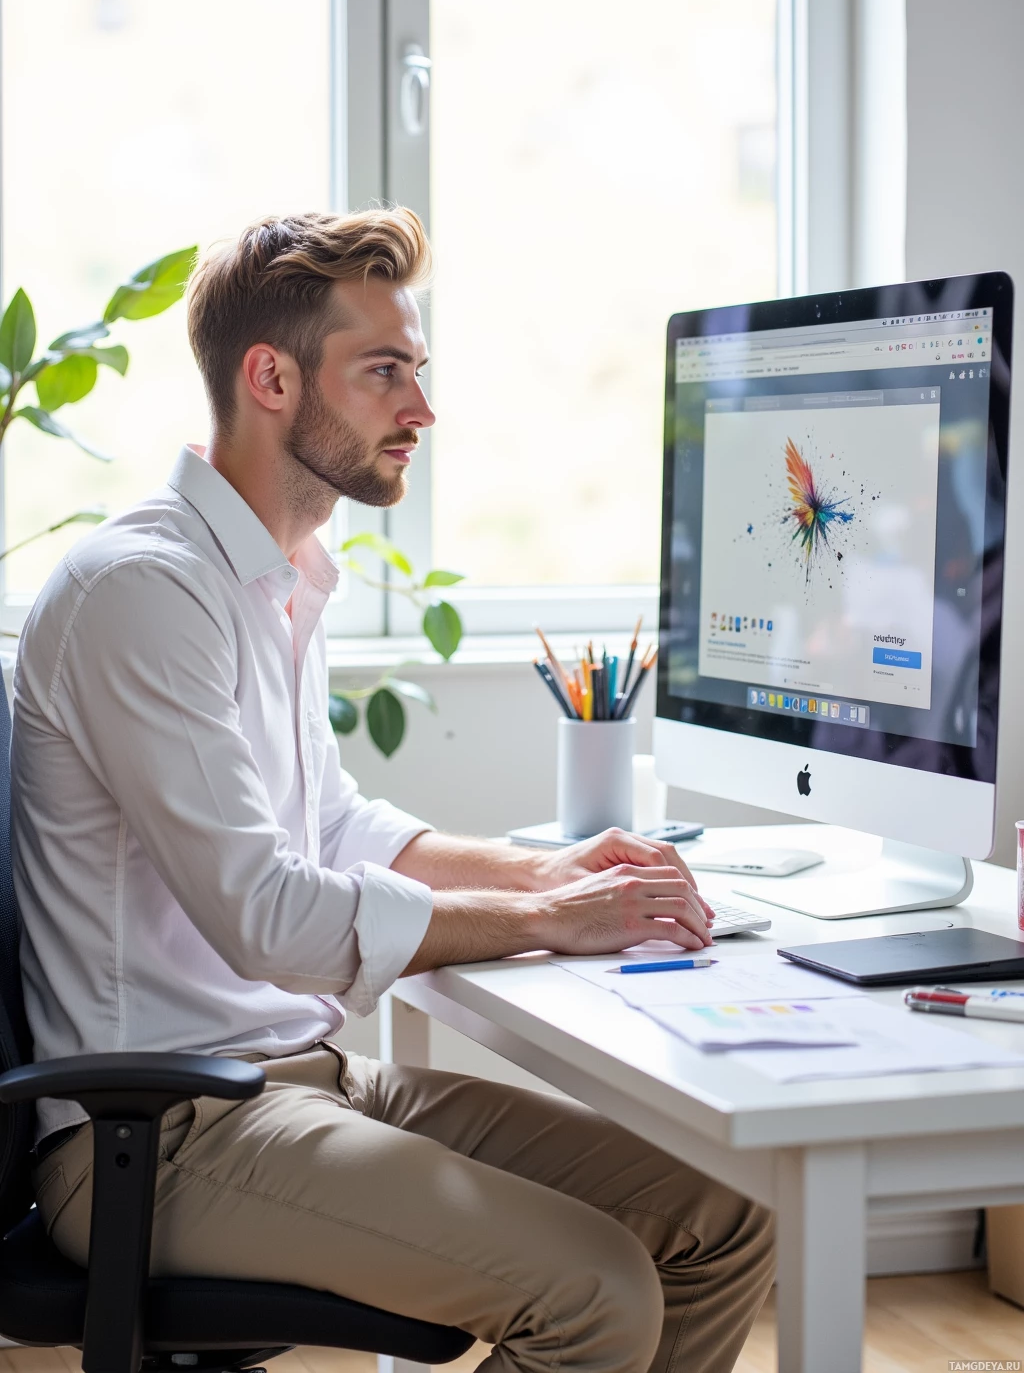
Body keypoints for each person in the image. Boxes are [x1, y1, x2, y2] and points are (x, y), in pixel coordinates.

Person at [11, 209, 773, 1373]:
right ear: (269, 377)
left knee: (722, 1219)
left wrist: (552, 873)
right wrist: (540, 923)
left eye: (415, 371)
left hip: (302, 1080)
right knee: (598, 1292)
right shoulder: (144, 591)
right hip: (160, 1134)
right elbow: (267, 910)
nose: (419, 409)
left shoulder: (272, 575)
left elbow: (330, 825)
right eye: (382, 372)